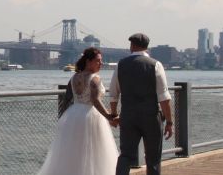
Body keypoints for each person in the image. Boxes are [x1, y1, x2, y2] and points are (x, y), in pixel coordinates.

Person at [37, 47, 119, 175]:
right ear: (88, 61)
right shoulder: (95, 78)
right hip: (91, 116)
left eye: (101, 61)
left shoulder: (74, 77)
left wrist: (62, 116)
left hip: (73, 115)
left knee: (73, 151)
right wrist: (108, 116)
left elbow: (67, 99)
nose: (101, 63)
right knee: (94, 151)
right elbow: (95, 101)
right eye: (98, 61)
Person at [108, 33, 173, 175]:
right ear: (147, 47)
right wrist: (169, 122)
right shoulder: (155, 65)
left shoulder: (121, 65)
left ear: (132, 46)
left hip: (128, 116)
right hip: (150, 116)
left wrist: (114, 114)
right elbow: (164, 98)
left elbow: (113, 94)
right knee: (153, 158)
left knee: (125, 155)